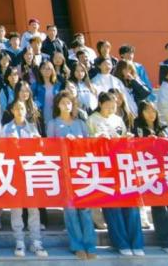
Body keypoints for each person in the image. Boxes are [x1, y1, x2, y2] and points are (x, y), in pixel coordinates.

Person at [87, 92, 142, 257]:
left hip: (122, 165)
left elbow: (123, 136)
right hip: (104, 166)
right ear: (100, 104)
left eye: (114, 106)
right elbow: (87, 142)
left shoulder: (118, 119)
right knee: (112, 207)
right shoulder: (92, 120)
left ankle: (136, 243)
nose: (111, 109)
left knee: (131, 205)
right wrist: (96, 138)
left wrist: (127, 138)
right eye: (108, 106)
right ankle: (121, 243)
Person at [132, 101, 168, 257]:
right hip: (150, 172)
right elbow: (133, 147)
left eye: (153, 110)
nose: (151, 114)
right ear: (141, 113)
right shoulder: (137, 128)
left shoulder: (164, 127)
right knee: (159, 208)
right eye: (147, 111)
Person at [47, 92, 95, 259]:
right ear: (58, 105)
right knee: (71, 209)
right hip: (64, 170)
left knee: (86, 209)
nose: (66, 105)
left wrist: (78, 141)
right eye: (63, 102)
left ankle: (90, 245)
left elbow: (89, 144)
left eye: (69, 102)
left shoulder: (81, 123)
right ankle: (77, 245)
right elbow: (49, 147)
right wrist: (62, 142)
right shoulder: (53, 124)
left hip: (82, 169)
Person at [0, 100, 48, 258]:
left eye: (22, 108)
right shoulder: (6, 128)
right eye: (17, 108)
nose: (20, 111)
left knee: (33, 208)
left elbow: (42, 149)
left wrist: (39, 142)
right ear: (12, 111)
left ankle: (36, 241)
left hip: (30, 171)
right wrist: (8, 144)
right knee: (16, 209)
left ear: (26, 110)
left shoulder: (32, 127)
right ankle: (19, 241)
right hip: (14, 172)